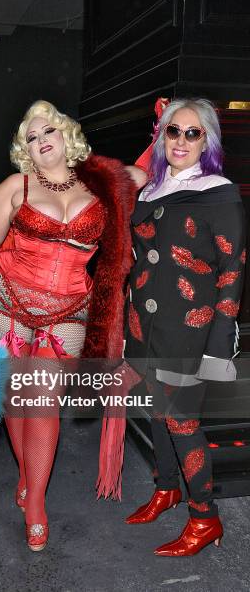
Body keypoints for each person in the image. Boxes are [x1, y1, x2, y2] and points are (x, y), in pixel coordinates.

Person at [0, 100, 145, 551]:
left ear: (66, 134)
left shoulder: (103, 186)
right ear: (24, 150)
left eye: (46, 131)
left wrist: (170, 130)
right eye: (29, 138)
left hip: (70, 306)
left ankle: (35, 501)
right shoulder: (15, 186)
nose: (39, 141)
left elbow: (147, 171)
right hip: (6, 300)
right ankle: (30, 485)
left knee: (43, 402)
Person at [125, 98, 246, 556]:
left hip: (189, 333)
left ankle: (205, 518)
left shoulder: (218, 192)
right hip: (145, 328)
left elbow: (233, 274)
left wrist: (217, 350)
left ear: (207, 141)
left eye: (193, 133)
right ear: (162, 136)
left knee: (181, 421)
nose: (181, 141)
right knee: (156, 414)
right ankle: (166, 487)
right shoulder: (149, 190)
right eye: (173, 131)